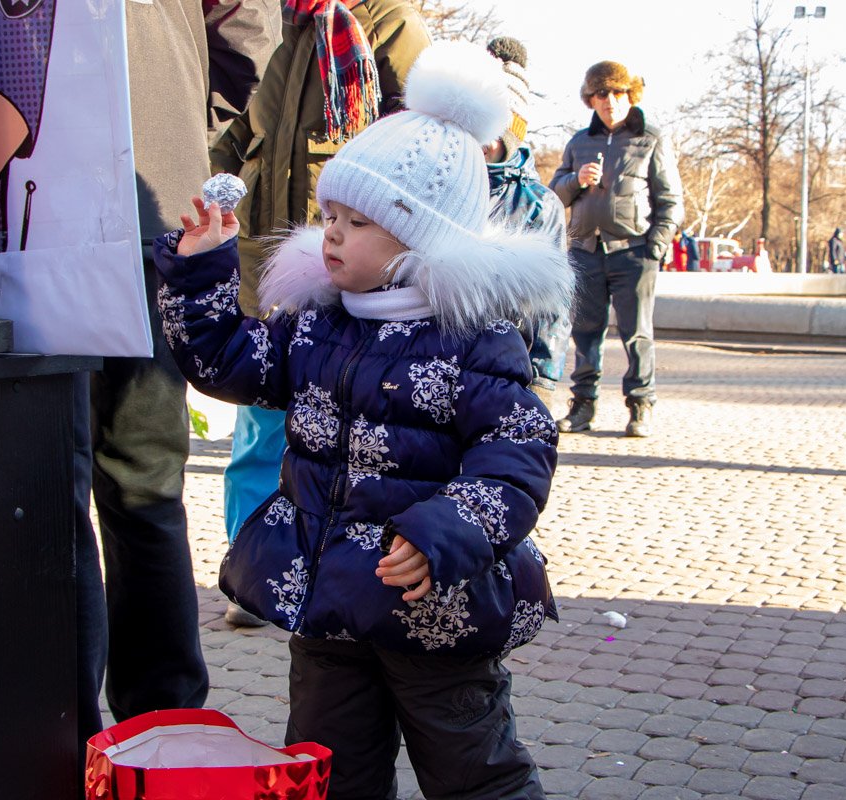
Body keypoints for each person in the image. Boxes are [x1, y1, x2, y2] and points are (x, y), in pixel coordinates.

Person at [156, 41, 571, 799]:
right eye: (331, 215)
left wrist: (447, 527)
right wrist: (200, 271)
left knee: (472, 770)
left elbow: (518, 447)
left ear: (420, 237)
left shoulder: (472, 339)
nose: (333, 234)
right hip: (329, 604)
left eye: (359, 221)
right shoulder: (318, 321)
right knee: (326, 770)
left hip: (433, 611)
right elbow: (231, 365)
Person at [88, 0, 280, 722]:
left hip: (17, 188)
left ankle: (53, 731)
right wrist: (177, 115)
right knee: (140, 484)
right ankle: (161, 720)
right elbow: (246, 31)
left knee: (47, 484)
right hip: (147, 176)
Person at [211, 0, 430, 627]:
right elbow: (245, 137)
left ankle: (348, 573)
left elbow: (427, 148)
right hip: (278, 271)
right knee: (258, 433)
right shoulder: (294, 32)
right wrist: (199, 184)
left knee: (350, 438)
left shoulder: (392, 24)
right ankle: (254, 573)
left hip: (359, 280)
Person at [550, 60, 682, 438]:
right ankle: (583, 405)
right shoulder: (579, 142)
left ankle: (641, 405)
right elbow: (555, 193)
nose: (610, 101)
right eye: (601, 93)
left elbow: (670, 200)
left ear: (630, 95)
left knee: (636, 334)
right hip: (586, 250)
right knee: (586, 333)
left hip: (633, 251)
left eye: (617, 93)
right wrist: (576, 179)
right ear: (591, 99)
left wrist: (655, 245)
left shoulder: (650, 138)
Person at [482, 36, 568, 407]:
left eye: (493, 128)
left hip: (506, 363)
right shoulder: (438, 185)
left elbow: (552, 304)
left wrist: (543, 379)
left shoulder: (539, 205)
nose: (481, 139)